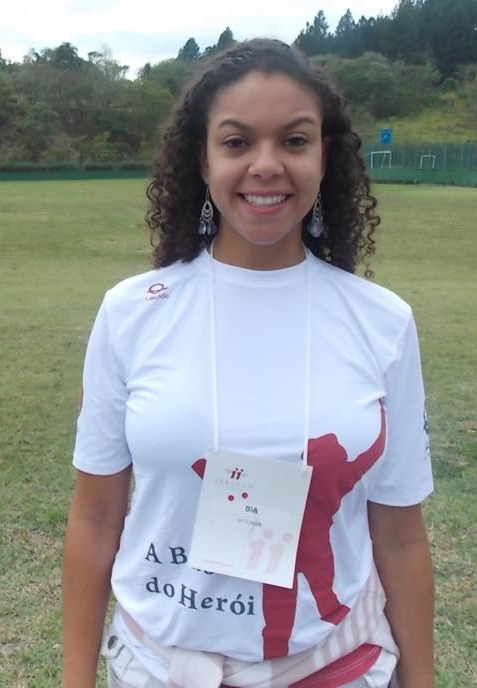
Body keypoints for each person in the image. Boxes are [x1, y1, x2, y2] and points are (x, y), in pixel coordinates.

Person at [62, 38, 434, 688]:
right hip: (156, 670)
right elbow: (95, 521)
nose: (266, 165)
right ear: (203, 160)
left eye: (294, 141)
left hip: (334, 668)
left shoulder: (383, 323)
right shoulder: (131, 314)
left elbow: (400, 535)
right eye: (237, 142)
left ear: (324, 159)